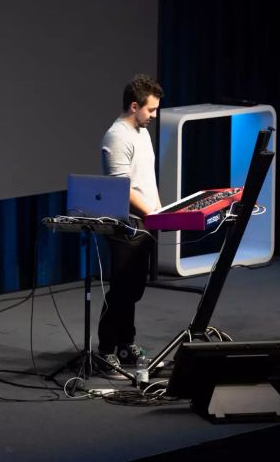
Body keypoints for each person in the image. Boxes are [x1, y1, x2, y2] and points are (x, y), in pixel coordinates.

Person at [97, 74, 164, 369]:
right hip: (125, 225)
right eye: (150, 110)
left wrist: (160, 211)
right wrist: (150, 214)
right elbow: (121, 187)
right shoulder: (117, 136)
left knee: (134, 289)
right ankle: (106, 349)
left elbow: (145, 180)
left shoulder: (141, 132)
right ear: (134, 106)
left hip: (145, 223)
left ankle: (126, 345)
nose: (154, 115)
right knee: (122, 289)